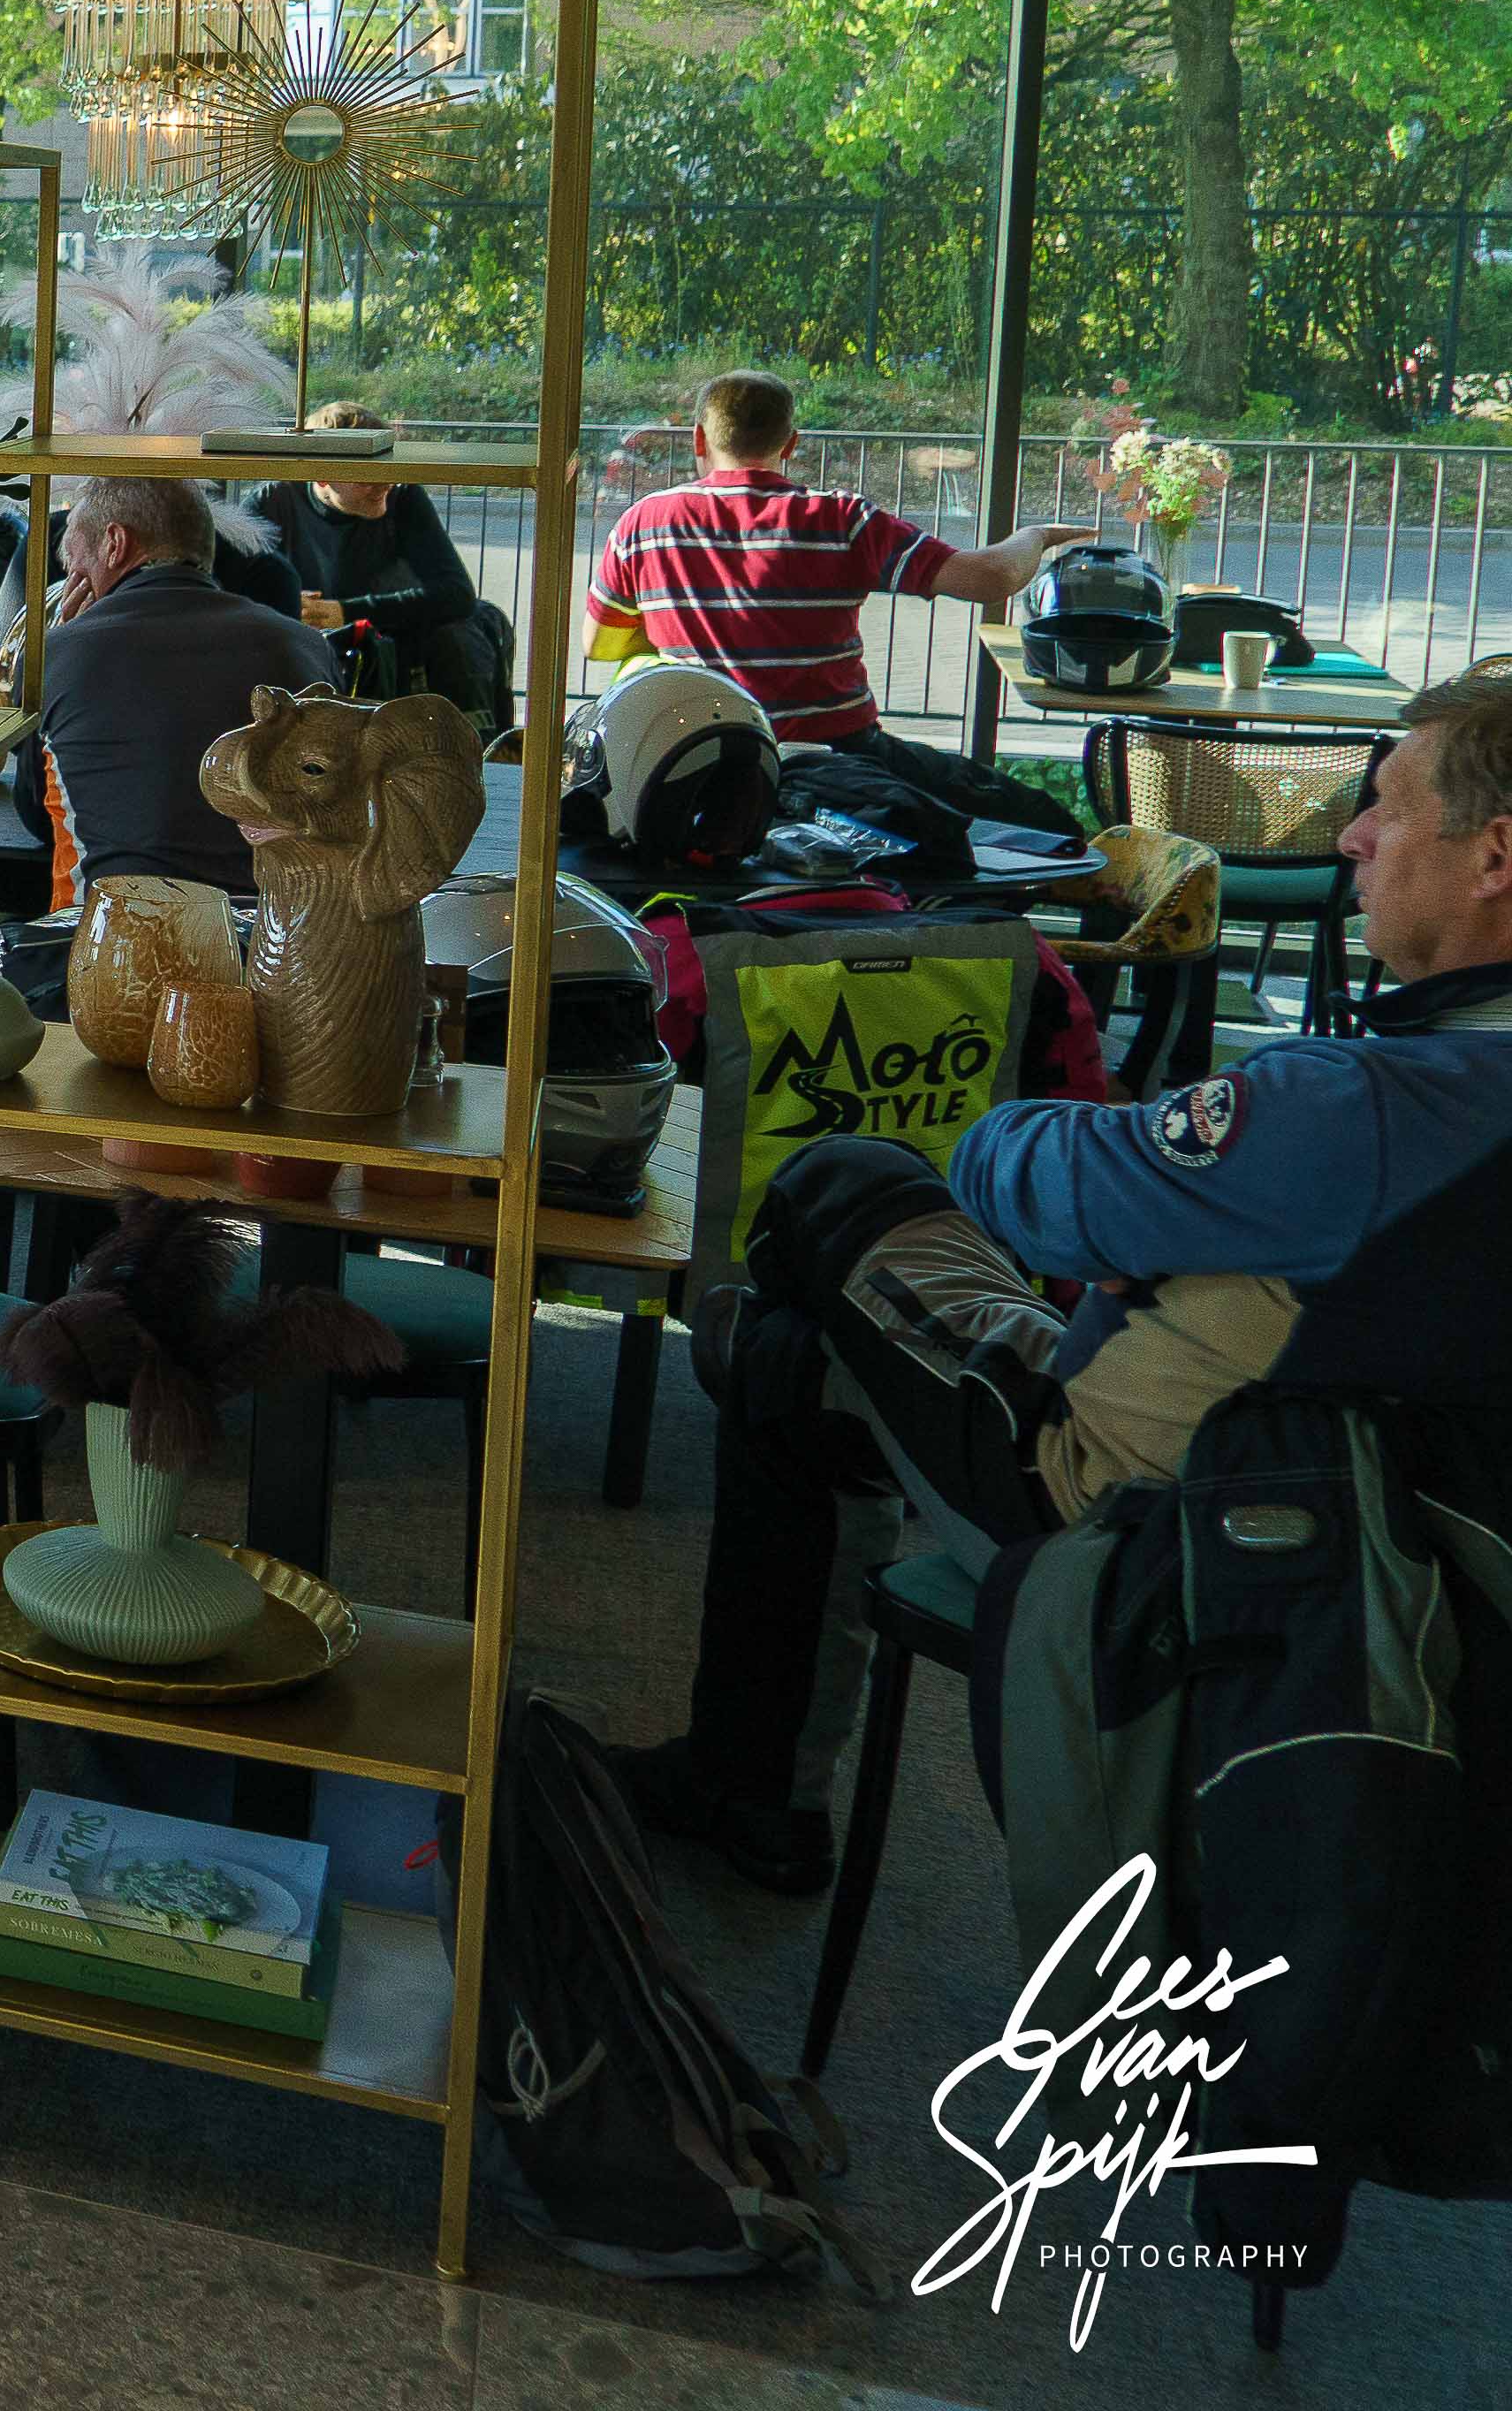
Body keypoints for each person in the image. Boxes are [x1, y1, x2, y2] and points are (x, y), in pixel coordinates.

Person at [614, 665, 1512, 1892]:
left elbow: (1037, 1178)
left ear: (1495, 855)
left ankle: (748, 1782)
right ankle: (749, 1784)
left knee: (842, 1183)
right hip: (1416, 1553)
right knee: (797, 1356)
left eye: (1388, 806)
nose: (1352, 837)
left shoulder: (1368, 1115)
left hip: (1133, 1507)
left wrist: (1143, 1197)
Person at [592, 371, 1089, 834]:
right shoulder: (841, 519)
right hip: (843, 756)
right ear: (791, 443)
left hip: (703, 763)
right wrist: (1036, 535)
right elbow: (992, 578)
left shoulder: (642, 524)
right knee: (1046, 823)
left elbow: (600, 644)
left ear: (699, 440)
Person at [16, 476, 338, 900]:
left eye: (74, 561)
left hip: (116, 928)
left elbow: (37, 815)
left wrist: (62, 646)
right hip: (272, 929)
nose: (74, 578)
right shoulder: (307, 646)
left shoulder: (55, 653)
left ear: (115, 544)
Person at [254, 401, 500, 719]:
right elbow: (232, 590)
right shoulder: (271, 502)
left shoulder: (404, 497)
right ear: (322, 477)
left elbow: (457, 594)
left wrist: (343, 612)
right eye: (366, 477)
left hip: (397, 666)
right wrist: (287, 605)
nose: (385, 484)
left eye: (389, 469)